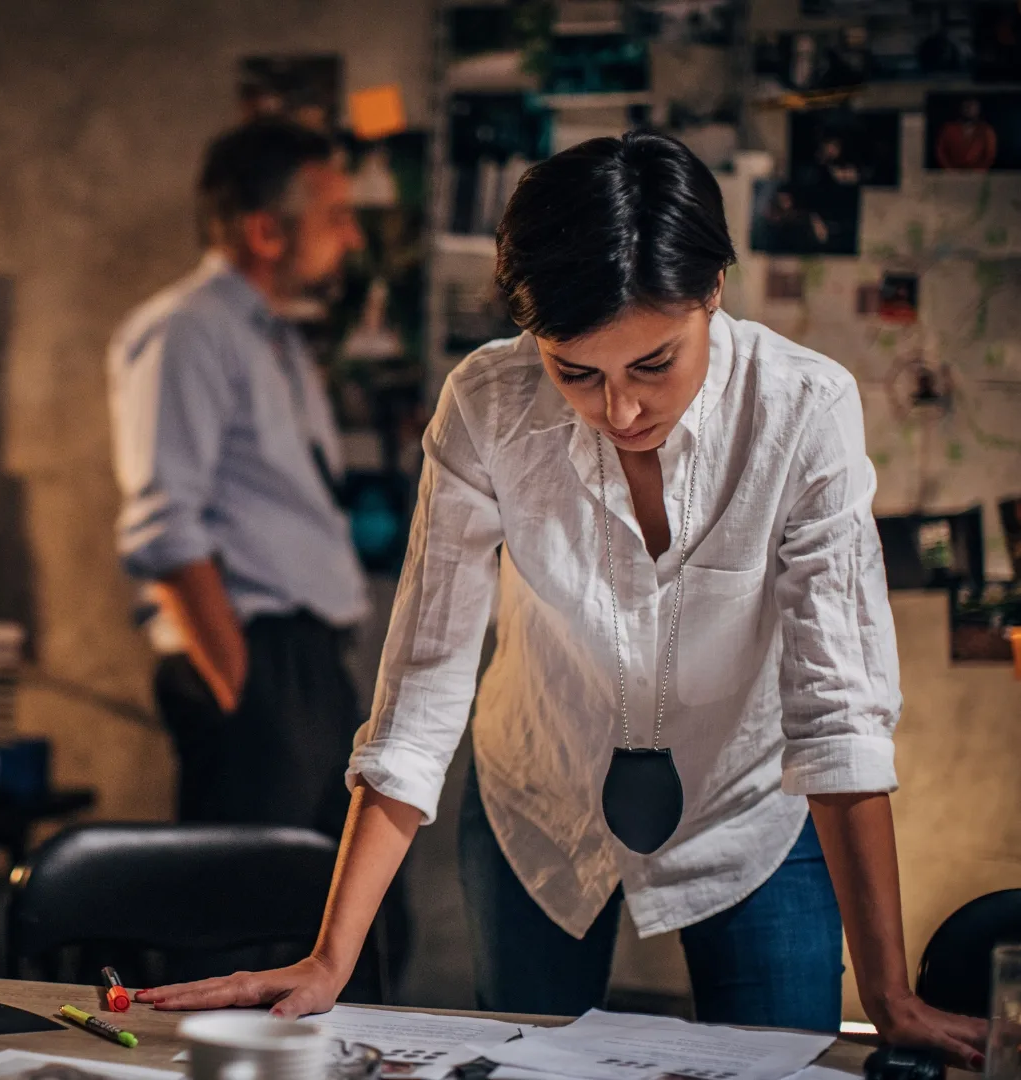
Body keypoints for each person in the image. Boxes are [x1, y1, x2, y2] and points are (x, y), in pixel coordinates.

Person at [136, 132, 987, 1066]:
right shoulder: (487, 404)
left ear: (712, 291)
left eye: (653, 364)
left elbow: (839, 713)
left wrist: (891, 996)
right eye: (576, 372)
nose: (619, 412)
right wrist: (330, 958)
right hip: (534, 796)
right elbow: (421, 692)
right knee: (523, 1065)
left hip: (748, 804)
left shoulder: (804, 409)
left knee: (779, 1061)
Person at [107, 120, 369, 835]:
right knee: (248, 897)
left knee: (342, 897)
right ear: (265, 231)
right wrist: (244, 691)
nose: (352, 239)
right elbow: (163, 528)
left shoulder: (273, 339)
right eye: (336, 217)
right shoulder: (187, 330)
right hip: (261, 666)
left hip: (309, 668)